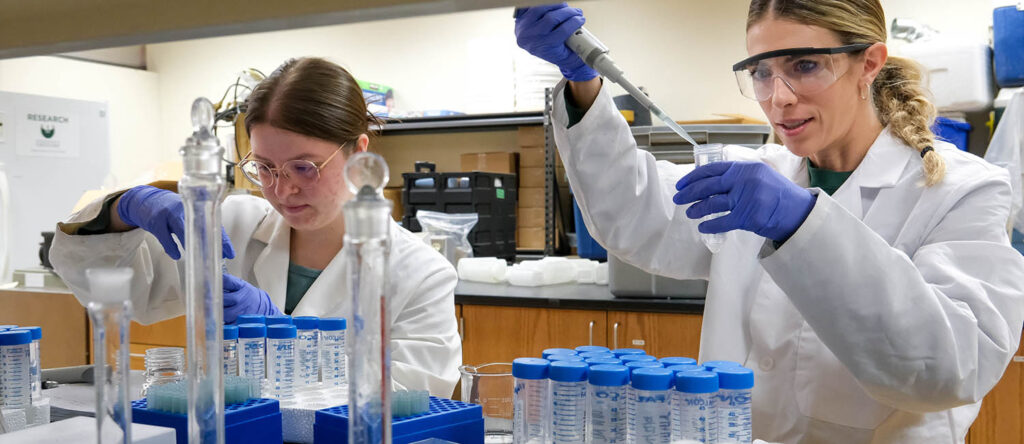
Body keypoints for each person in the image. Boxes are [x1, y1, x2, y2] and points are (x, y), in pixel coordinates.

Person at [516, 1, 1024, 442]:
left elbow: (950, 367)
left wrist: (803, 224)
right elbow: (632, 215)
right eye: (761, 72)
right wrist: (584, 85)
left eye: (805, 65)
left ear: (869, 63)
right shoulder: (756, 175)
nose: (778, 97)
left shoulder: (963, 191)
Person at [49, 57, 461, 396]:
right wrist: (124, 210)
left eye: (304, 166)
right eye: (264, 167)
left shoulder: (420, 273)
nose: (282, 189)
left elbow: (416, 397)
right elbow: (122, 295)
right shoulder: (231, 226)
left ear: (358, 151)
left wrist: (281, 333)